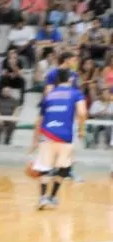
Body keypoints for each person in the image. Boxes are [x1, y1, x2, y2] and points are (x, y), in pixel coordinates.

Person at [31, 70, 87, 210]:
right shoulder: (76, 93)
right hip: (64, 135)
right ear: (69, 79)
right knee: (65, 167)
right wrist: (81, 129)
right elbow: (82, 113)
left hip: (47, 134)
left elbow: (39, 120)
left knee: (44, 167)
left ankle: (43, 198)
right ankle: (52, 197)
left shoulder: (48, 95)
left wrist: (35, 140)